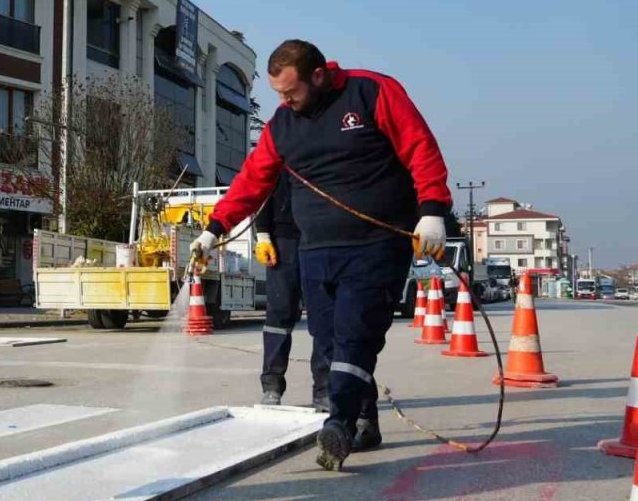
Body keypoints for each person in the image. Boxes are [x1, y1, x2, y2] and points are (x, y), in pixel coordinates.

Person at [192, 40, 451, 471]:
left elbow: (420, 148)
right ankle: (365, 417)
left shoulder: (370, 92)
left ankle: (339, 425)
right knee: (329, 344)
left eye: (290, 92)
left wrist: (432, 211)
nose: (284, 101)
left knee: (355, 335)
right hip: (316, 249)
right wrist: (212, 229)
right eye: (277, 94)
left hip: (376, 244)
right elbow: (252, 181)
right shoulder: (282, 125)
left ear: (318, 76)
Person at [253, 174, 329, 410]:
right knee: (279, 314)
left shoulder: (324, 146)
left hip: (320, 236)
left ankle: (324, 390)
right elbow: (261, 188)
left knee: (323, 316)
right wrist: (263, 233)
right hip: (282, 239)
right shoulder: (280, 144)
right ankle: (272, 386)